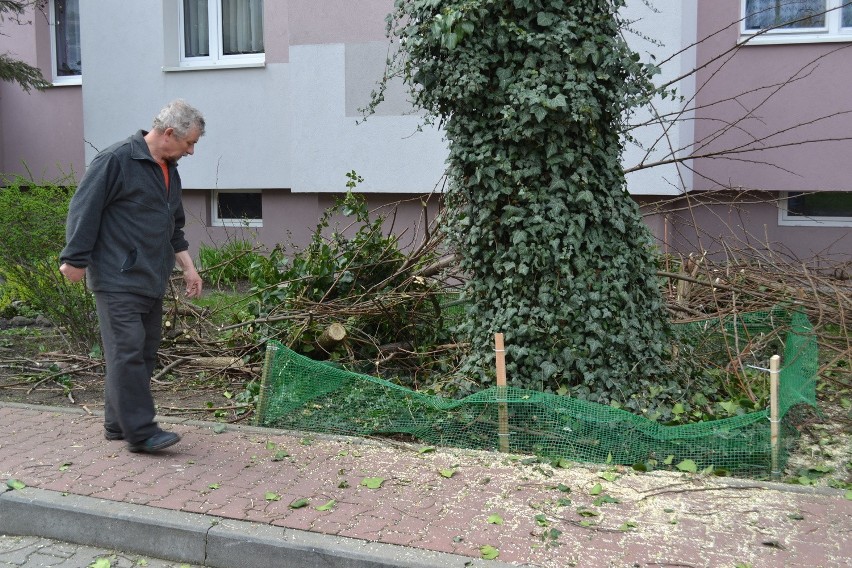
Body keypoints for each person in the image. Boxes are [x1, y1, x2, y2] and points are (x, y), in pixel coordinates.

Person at [59, 99, 205, 454]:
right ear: (169, 133)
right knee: (126, 353)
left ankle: (117, 424)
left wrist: (188, 266)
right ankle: (141, 432)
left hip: (151, 279)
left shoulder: (168, 169)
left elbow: (174, 225)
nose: (191, 151)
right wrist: (74, 258)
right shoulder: (116, 160)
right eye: (190, 143)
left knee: (141, 352)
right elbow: (84, 207)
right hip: (116, 277)